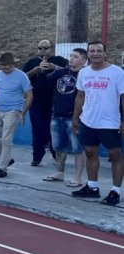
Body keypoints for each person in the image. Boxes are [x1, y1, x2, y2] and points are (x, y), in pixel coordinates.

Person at [70, 41, 124, 205]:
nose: (95, 53)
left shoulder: (117, 72)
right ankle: (92, 188)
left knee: (116, 156)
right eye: (92, 51)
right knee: (90, 153)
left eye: (99, 50)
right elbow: (80, 96)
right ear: (88, 54)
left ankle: (115, 192)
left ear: (105, 53)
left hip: (110, 123)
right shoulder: (84, 72)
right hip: (88, 121)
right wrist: (75, 118)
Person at [42, 48, 87, 185]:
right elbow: (45, 84)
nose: (71, 58)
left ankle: (77, 178)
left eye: (75, 56)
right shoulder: (60, 72)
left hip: (75, 117)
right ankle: (59, 172)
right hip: (57, 115)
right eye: (71, 56)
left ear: (84, 60)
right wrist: (43, 70)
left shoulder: (86, 74)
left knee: (78, 148)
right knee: (58, 146)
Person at [22, 40, 68, 166]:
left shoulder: (59, 60)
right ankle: (37, 157)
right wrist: (34, 71)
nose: (43, 51)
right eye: (40, 48)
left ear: (51, 49)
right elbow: (22, 78)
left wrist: (55, 68)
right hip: (36, 102)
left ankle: (56, 156)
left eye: (46, 48)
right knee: (37, 131)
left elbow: (70, 72)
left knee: (55, 131)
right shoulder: (31, 62)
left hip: (55, 102)